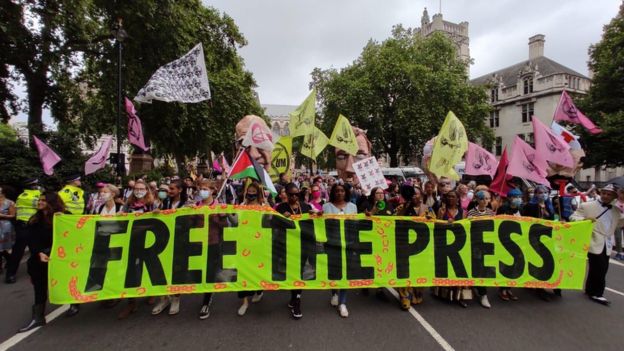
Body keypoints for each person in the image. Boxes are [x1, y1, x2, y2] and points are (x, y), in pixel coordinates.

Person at [18, 191, 67, 332]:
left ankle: (74, 303)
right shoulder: (35, 219)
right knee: (39, 286)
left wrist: (63, 219)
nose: (40, 202)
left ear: (52, 203)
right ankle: (38, 317)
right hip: (39, 259)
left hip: (59, 258)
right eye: (39, 200)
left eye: (43, 200)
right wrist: (39, 252)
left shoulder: (64, 216)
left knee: (67, 281)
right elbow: (31, 239)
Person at [570, 184, 623, 306]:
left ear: (614, 197)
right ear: (600, 193)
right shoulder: (587, 205)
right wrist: (585, 220)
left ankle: (590, 289)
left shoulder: (616, 210)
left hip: (607, 243)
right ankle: (597, 293)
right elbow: (573, 217)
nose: (605, 196)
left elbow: (618, 223)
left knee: (598, 268)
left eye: (609, 194)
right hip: (592, 240)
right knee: (600, 268)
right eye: (604, 193)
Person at [118, 180, 156, 319]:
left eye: (141, 188)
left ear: (147, 190)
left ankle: (151, 292)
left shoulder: (152, 204)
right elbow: (122, 220)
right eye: (136, 188)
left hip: (148, 241)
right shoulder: (128, 205)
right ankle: (131, 302)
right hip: (131, 241)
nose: (139, 191)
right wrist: (121, 216)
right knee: (131, 270)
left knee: (148, 267)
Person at [274, 183, 312, 319]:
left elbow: (311, 224)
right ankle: (295, 299)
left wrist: (315, 216)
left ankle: (296, 299)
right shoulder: (281, 207)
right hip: (287, 245)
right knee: (292, 272)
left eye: (297, 194)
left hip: (303, 245)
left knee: (299, 272)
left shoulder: (306, 207)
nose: (294, 196)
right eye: (291, 194)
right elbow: (273, 224)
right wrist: (282, 218)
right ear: (286, 194)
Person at [395, 186, 435, 309]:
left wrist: (430, 220)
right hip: (405, 244)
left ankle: (417, 293)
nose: (414, 196)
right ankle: (405, 296)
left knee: (419, 270)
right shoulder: (403, 207)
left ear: (421, 195)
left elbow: (435, 222)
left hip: (422, 245)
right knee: (405, 270)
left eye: (416, 193)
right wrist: (405, 206)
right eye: (412, 194)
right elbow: (394, 219)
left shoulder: (428, 209)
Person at [151, 180, 187, 316]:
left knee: (176, 270)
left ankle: (176, 299)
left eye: (172, 189)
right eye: (168, 189)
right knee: (161, 270)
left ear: (180, 190)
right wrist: (156, 212)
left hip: (179, 241)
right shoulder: (163, 203)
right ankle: (164, 298)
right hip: (163, 241)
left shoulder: (187, 204)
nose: (169, 191)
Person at [322, 183, 357, 318]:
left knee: (345, 273)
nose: (340, 193)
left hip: (347, 245)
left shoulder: (353, 207)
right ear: (333, 193)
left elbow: (355, 225)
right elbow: (322, 225)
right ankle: (334, 293)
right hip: (332, 244)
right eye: (337, 191)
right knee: (333, 271)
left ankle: (343, 302)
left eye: (342, 191)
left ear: (346, 192)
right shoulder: (326, 207)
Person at [195, 180, 229, 319]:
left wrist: (218, 216)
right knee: (199, 272)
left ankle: (206, 302)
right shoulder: (195, 205)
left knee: (209, 272)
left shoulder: (219, 207)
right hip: (197, 243)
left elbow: (225, 226)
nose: (201, 191)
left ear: (212, 190)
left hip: (213, 243)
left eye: (204, 189)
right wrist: (190, 213)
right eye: (200, 188)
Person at [237, 182, 267, 316]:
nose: (251, 193)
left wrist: (268, 209)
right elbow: (234, 222)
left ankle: (259, 290)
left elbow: (270, 221)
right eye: (249, 191)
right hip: (244, 242)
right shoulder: (242, 206)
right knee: (243, 271)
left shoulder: (263, 206)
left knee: (258, 269)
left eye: (254, 191)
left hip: (259, 243)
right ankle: (244, 302)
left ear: (258, 193)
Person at [6, 178, 41, 284]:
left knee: (36, 250)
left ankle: (37, 272)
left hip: (34, 227)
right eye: (35, 185)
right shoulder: (24, 196)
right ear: (31, 186)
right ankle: (10, 274)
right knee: (18, 252)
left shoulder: (36, 194)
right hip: (24, 227)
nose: (37, 186)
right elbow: (39, 205)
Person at [466, 190, 495, 309]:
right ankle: (483, 294)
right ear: (477, 200)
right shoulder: (471, 212)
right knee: (478, 267)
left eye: (488, 199)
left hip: (487, 245)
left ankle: (479, 287)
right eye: (483, 199)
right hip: (476, 245)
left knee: (486, 268)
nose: (485, 201)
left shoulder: (490, 212)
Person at [495, 188, 524, 301]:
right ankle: (502, 289)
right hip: (505, 241)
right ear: (509, 198)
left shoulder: (521, 209)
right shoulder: (503, 208)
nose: (518, 199)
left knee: (515, 266)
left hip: (518, 241)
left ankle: (509, 287)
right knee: (505, 265)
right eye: (515, 197)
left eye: (519, 197)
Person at [0, 187, 16, 274]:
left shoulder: (10, 203)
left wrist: (2, 215)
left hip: (6, 226)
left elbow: (13, 215)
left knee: (6, 247)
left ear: (3, 193)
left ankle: (10, 262)